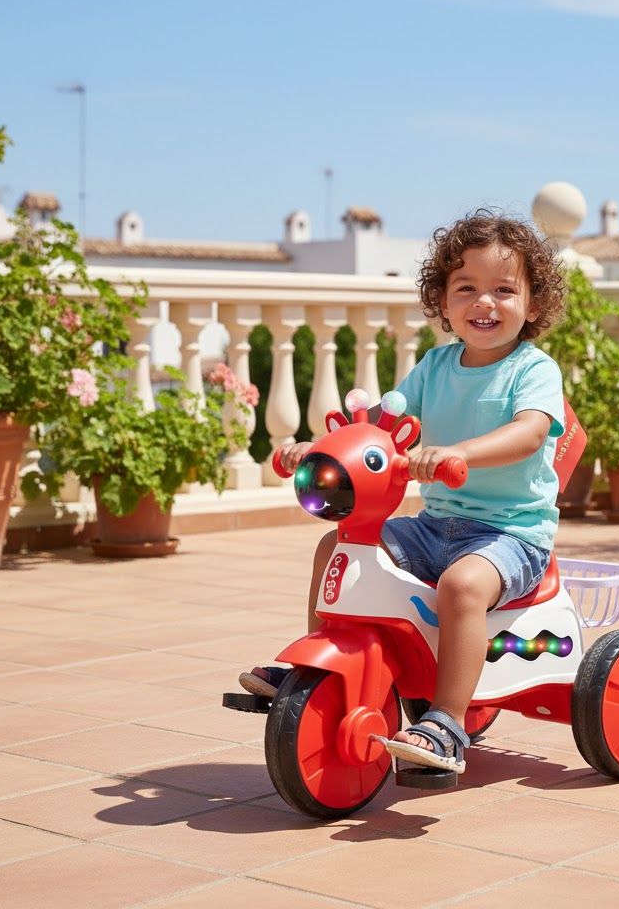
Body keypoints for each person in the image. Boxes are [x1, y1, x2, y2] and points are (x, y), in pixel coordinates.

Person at [240, 209, 567, 777]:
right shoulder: (434, 366)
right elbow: (379, 430)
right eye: (466, 288)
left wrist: (461, 451)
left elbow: (532, 431)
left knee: (463, 585)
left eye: (503, 290)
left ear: (533, 305)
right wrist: (317, 447)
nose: (484, 302)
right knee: (339, 548)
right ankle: (321, 665)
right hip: (434, 525)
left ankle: (446, 724)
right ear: (443, 302)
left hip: (512, 534)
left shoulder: (531, 369)